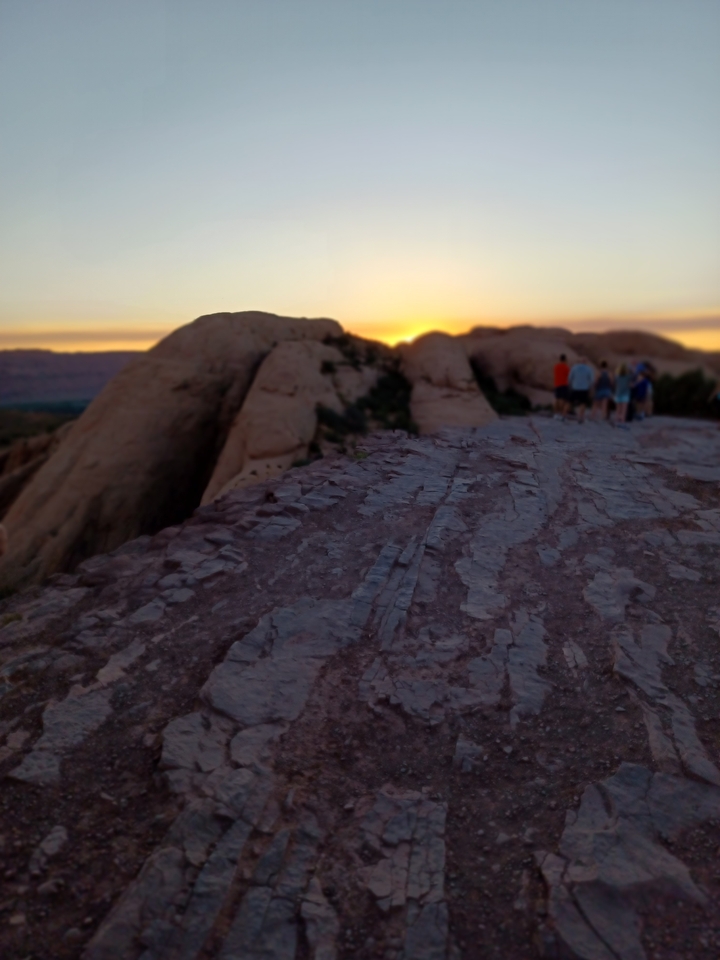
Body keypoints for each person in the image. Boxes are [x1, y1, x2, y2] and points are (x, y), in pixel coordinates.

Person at [568, 357, 594, 423]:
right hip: (584, 388)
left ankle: (563, 415)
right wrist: (590, 388)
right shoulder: (589, 369)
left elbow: (570, 378)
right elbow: (591, 380)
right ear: (586, 362)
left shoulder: (574, 367)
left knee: (570, 402)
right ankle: (580, 417)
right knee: (583, 403)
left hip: (575, 387)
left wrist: (570, 386)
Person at [553, 354, 570, 418]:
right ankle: (560, 413)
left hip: (557, 384)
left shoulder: (556, 366)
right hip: (564, 384)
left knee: (556, 398)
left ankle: (555, 413)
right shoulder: (566, 367)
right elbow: (569, 376)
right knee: (562, 399)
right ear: (565, 359)